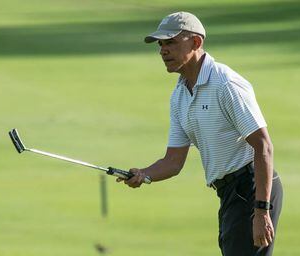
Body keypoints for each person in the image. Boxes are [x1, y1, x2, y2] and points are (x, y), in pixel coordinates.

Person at [117, 11, 283, 256]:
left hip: (252, 189)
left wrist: (261, 210)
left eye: (171, 42)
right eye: (161, 44)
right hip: (229, 193)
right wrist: (144, 174)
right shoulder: (180, 95)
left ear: (196, 42)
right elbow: (173, 161)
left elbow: (263, 146)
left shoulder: (225, 83)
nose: (163, 50)